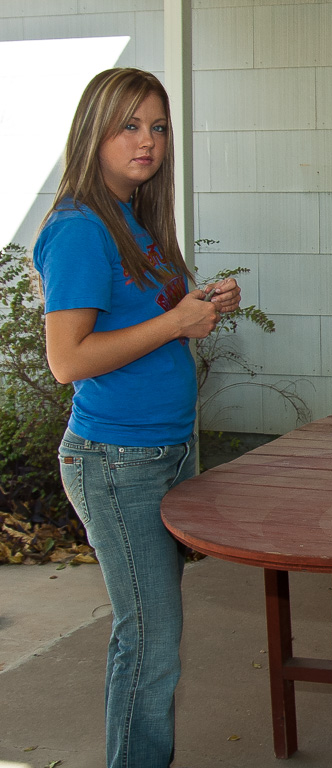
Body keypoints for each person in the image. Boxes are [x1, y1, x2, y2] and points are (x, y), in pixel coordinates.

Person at [33, 68, 241, 768]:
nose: (146, 140)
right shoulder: (79, 230)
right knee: (149, 640)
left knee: (154, 633)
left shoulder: (134, 217)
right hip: (116, 461)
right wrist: (174, 322)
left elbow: (147, 323)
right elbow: (68, 359)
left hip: (164, 451)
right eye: (129, 125)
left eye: (157, 126)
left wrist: (200, 310)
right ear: (95, 130)